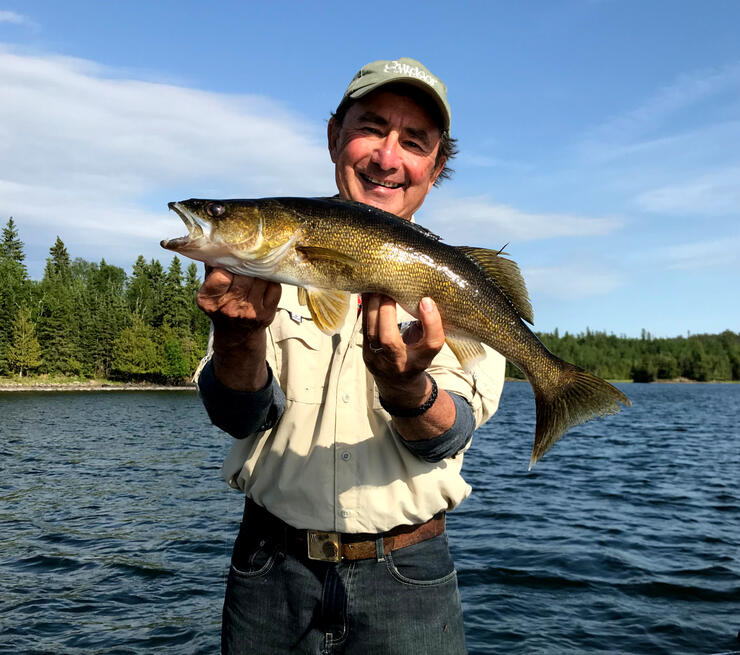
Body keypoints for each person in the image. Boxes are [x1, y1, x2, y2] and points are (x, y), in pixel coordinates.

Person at [195, 57, 506, 654]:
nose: (388, 157)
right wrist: (238, 339)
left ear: (436, 167)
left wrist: (407, 389)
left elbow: (445, 438)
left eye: (413, 141)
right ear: (335, 135)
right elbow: (238, 418)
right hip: (270, 573)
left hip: (407, 579)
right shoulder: (261, 264)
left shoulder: (462, 282)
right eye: (370, 128)